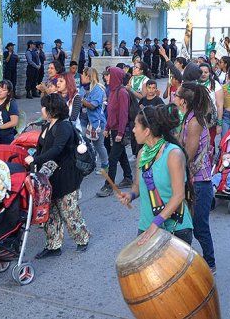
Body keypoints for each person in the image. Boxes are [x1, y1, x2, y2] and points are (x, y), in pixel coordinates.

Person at [117, 104, 194, 248]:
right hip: (147, 226)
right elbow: (138, 185)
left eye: (135, 126)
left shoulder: (173, 154)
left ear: (147, 131)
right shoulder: (142, 154)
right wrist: (131, 195)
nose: (133, 130)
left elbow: (178, 196)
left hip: (175, 229)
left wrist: (156, 224)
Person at [25, 93, 90, 258]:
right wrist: (34, 165)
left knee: (70, 212)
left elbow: (57, 149)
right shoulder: (47, 125)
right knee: (50, 214)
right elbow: (42, 147)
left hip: (66, 176)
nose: (42, 109)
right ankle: (53, 246)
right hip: (49, 177)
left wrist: (35, 158)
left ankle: (82, 239)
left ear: (51, 109)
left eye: (44, 106)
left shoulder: (64, 126)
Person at [174, 83, 216, 272]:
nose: (174, 96)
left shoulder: (194, 121)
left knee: (199, 226)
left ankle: (210, 262)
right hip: (190, 180)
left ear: (183, 100)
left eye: (176, 95)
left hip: (199, 181)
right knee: (186, 226)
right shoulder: (187, 118)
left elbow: (189, 154)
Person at [97, 66, 132, 197]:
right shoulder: (112, 91)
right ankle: (128, 177)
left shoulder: (122, 92)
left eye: (109, 75)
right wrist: (107, 128)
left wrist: (120, 133)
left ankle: (108, 186)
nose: (106, 77)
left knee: (112, 158)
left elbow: (123, 115)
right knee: (121, 155)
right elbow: (110, 114)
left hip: (119, 131)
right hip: (113, 130)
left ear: (116, 77)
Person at [80, 67, 108, 171]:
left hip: (96, 122)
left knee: (98, 145)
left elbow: (93, 105)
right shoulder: (83, 88)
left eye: (83, 74)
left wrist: (81, 100)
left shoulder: (97, 89)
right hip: (84, 121)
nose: (81, 76)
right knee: (84, 144)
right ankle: (90, 164)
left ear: (88, 76)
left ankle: (105, 165)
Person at [199, 63, 224, 144]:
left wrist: (219, 124)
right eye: (201, 72)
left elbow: (220, 105)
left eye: (206, 72)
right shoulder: (194, 84)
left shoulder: (215, 84)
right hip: (198, 121)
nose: (203, 74)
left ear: (209, 73)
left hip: (211, 122)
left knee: (210, 144)